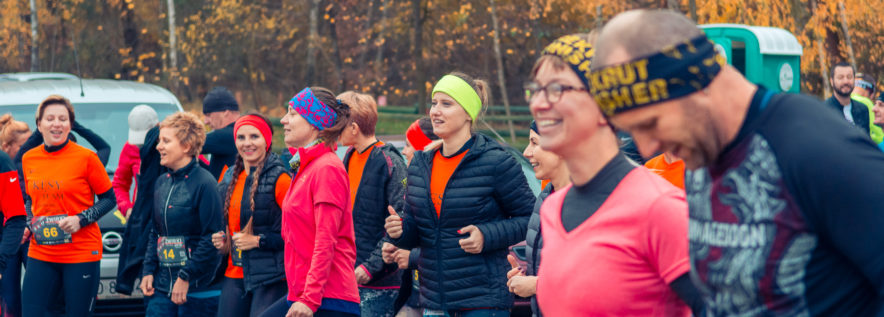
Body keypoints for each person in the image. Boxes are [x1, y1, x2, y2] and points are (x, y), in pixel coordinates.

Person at [591, 9, 884, 315]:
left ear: (697, 84)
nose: (647, 146)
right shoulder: (700, 155)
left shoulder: (815, 147)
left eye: (651, 123)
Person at [525, 34, 702, 316]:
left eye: (557, 90)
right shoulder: (552, 208)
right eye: (536, 90)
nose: (540, 104)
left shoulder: (659, 208)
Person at [385, 72, 534, 316]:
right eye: (434, 103)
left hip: (482, 301)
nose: (435, 111)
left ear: (467, 113)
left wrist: (486, 235)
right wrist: (400, 231)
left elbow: (530, 218)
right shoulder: (420, 164)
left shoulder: (496, 161)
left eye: (446, 104)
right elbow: (418, 232)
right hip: (434, 301)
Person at [259, 87, 360, 317]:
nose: (284, 120)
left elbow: (326, 240)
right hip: (304, 295)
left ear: (314, 123)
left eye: (293, 113)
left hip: (328, 300)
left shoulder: (327, 169)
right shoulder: (305, 166)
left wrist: (310, 299)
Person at [20, 95, 116, 316]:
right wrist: (28, 222)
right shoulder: (29, 158)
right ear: (39, 124)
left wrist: (81, 219)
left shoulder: (87, 158)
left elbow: (109, 199)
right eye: (50, 118)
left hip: (80, 252)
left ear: (70, 125)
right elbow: (30, 199)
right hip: (41, 251)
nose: (56, 123)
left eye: (63, 119)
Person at [140, 112, 224, 317]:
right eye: (160, 140)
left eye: (166, 141)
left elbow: (211, 239)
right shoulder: (162, 182)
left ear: (186, 146)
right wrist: (148, 270)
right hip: (161, 288)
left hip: (197, 290)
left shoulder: (206, 184)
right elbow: (155, 232)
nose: (158, 146)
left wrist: (186, 276)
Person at [212, 113, 291, 317]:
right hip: (234, 272)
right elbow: (224, 225)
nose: (247, 143)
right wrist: (223, 242)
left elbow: (297, 235)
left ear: (267, 140)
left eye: (254, 136)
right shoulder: (228, 176)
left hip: (271, 276)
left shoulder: (281, 179)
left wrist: (257, 241)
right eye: (241, 137)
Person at [337, 91, 407, 317]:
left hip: (379, 282)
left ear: (354, 128)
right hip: (349, 276)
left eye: (338, 124)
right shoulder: (348, 156)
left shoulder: (389, 161)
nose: (333, 129)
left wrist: (372, 266)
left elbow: (401, 220)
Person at [504, 121, 568, 317]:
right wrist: (525, 279)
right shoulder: (545, 196)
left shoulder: (590, 202)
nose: (526, 152)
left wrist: (538, 285)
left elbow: (600, 279)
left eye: (534, 142)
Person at [381, 117, 439, 317]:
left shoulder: (439, 187)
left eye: (408, 145)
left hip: (438, 297)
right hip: (416, 293)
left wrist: (412, 257)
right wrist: (398, 244)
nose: (403, 151)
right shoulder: (416, 184)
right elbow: (419, 234)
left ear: (423, 147)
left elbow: (446, 242)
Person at [0, 114, 31, 317]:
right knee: (9, 297)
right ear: (8, 145)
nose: (28, 150)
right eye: (23, 146)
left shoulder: (27, 163)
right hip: (11, 236)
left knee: (17, 299)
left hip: (23, 235)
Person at [113, 105, 159, 218]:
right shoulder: (130, 148)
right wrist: (127, 209)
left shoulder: (173, 145)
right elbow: (119, 184)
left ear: (157, 126)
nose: (141, 145)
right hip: (142, 218)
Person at [826, 62, 878, 139]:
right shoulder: (825, 110)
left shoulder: (863, 109)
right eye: (840, 77)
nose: (846, 81)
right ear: (832, 81)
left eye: (849, 77)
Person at [202, 87, 241, 179]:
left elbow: (188, 143)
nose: (205, 121)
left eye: (208, 115)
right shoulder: (238, 132)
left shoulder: (229, 135)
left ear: (225, 112)